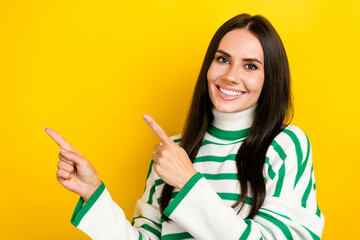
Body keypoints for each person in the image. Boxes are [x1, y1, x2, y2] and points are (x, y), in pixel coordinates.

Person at [45, 13, 325, 239]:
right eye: (223, 59)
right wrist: (93, 192)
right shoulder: (173, 152)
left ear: (270, 78)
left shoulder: (286, 144)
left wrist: (188, 182)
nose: (230, 76)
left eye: (250, 66)